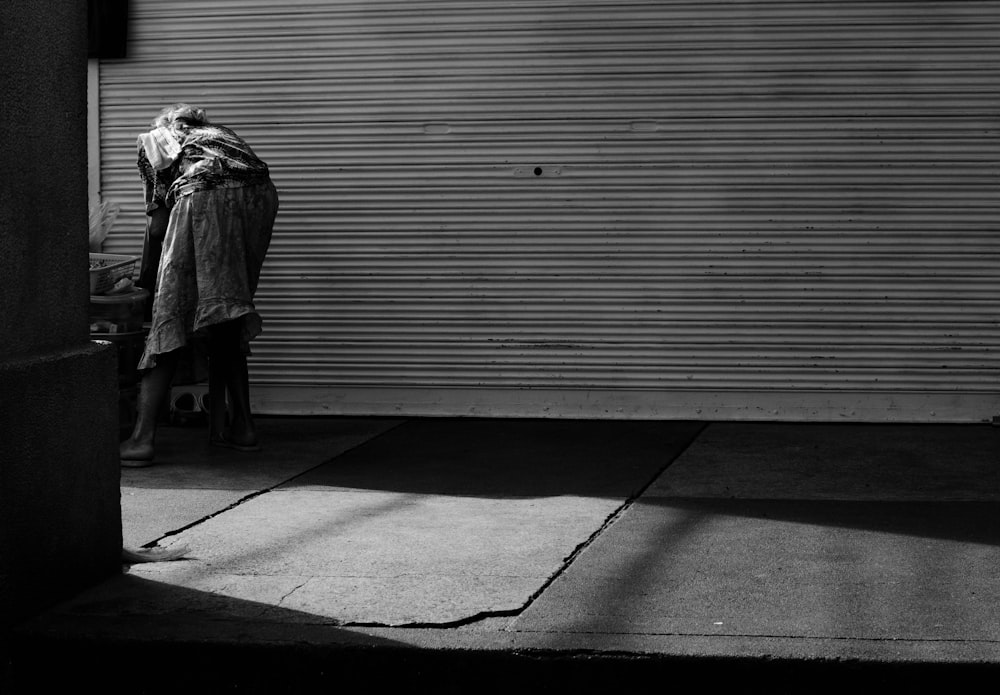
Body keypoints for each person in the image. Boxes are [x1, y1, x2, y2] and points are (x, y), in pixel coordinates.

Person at [120, 104, 278, 466]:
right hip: (261, 197)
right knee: (226, 310)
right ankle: (244, 428)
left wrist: (148, 282)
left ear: (165, 124)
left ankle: (142, 439)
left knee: (170, 313)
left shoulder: (154, 140)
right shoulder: (219, 136)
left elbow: (158, 226)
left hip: (204, 195)